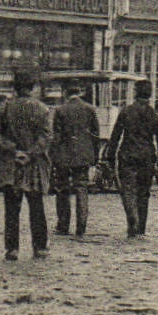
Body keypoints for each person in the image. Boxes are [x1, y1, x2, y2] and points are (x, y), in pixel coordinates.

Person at [0, 72, 51, 260]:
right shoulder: (42, 109)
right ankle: (40, 247)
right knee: (36, 207)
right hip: (33, 165)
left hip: (11, 164)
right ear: (33, 88)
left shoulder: (4, 107)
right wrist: (30, 153)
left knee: (11, 208)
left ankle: (12, 249)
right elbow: (46, 136)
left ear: (14, 88)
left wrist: (12, 150)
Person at [105, 80, 158, 238]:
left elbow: (115, 137)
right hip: (147, 157)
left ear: (135, 93)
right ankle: (141, 227)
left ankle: (131, 218)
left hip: (127, 155)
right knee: (143, 192)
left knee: (128, 190)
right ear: (150, 94)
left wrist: (110, 157)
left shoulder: (126, 112)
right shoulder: (155, 116)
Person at [51, 83, 99, 238]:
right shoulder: (90, 109)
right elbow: (95, 135)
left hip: (64, 155)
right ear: (80, 92)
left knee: (63, 189)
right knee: (81, 188)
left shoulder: (60, 110)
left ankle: (63, 225)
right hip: (83, 155)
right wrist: (94, 156)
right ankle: (81, 226)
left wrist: (54, 156)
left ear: (65, 92)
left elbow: (56, 137)